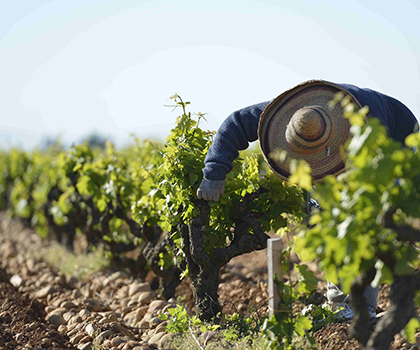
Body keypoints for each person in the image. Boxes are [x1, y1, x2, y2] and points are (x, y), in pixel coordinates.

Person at [196, 79, 418, 318]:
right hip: (342, 143)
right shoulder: (288, 115)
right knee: (319, 217)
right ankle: (340, 302)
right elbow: (235, 123)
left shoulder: (369, 125)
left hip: (398, 138)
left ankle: (361, 308)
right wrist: (214, 172)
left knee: (361, 225)